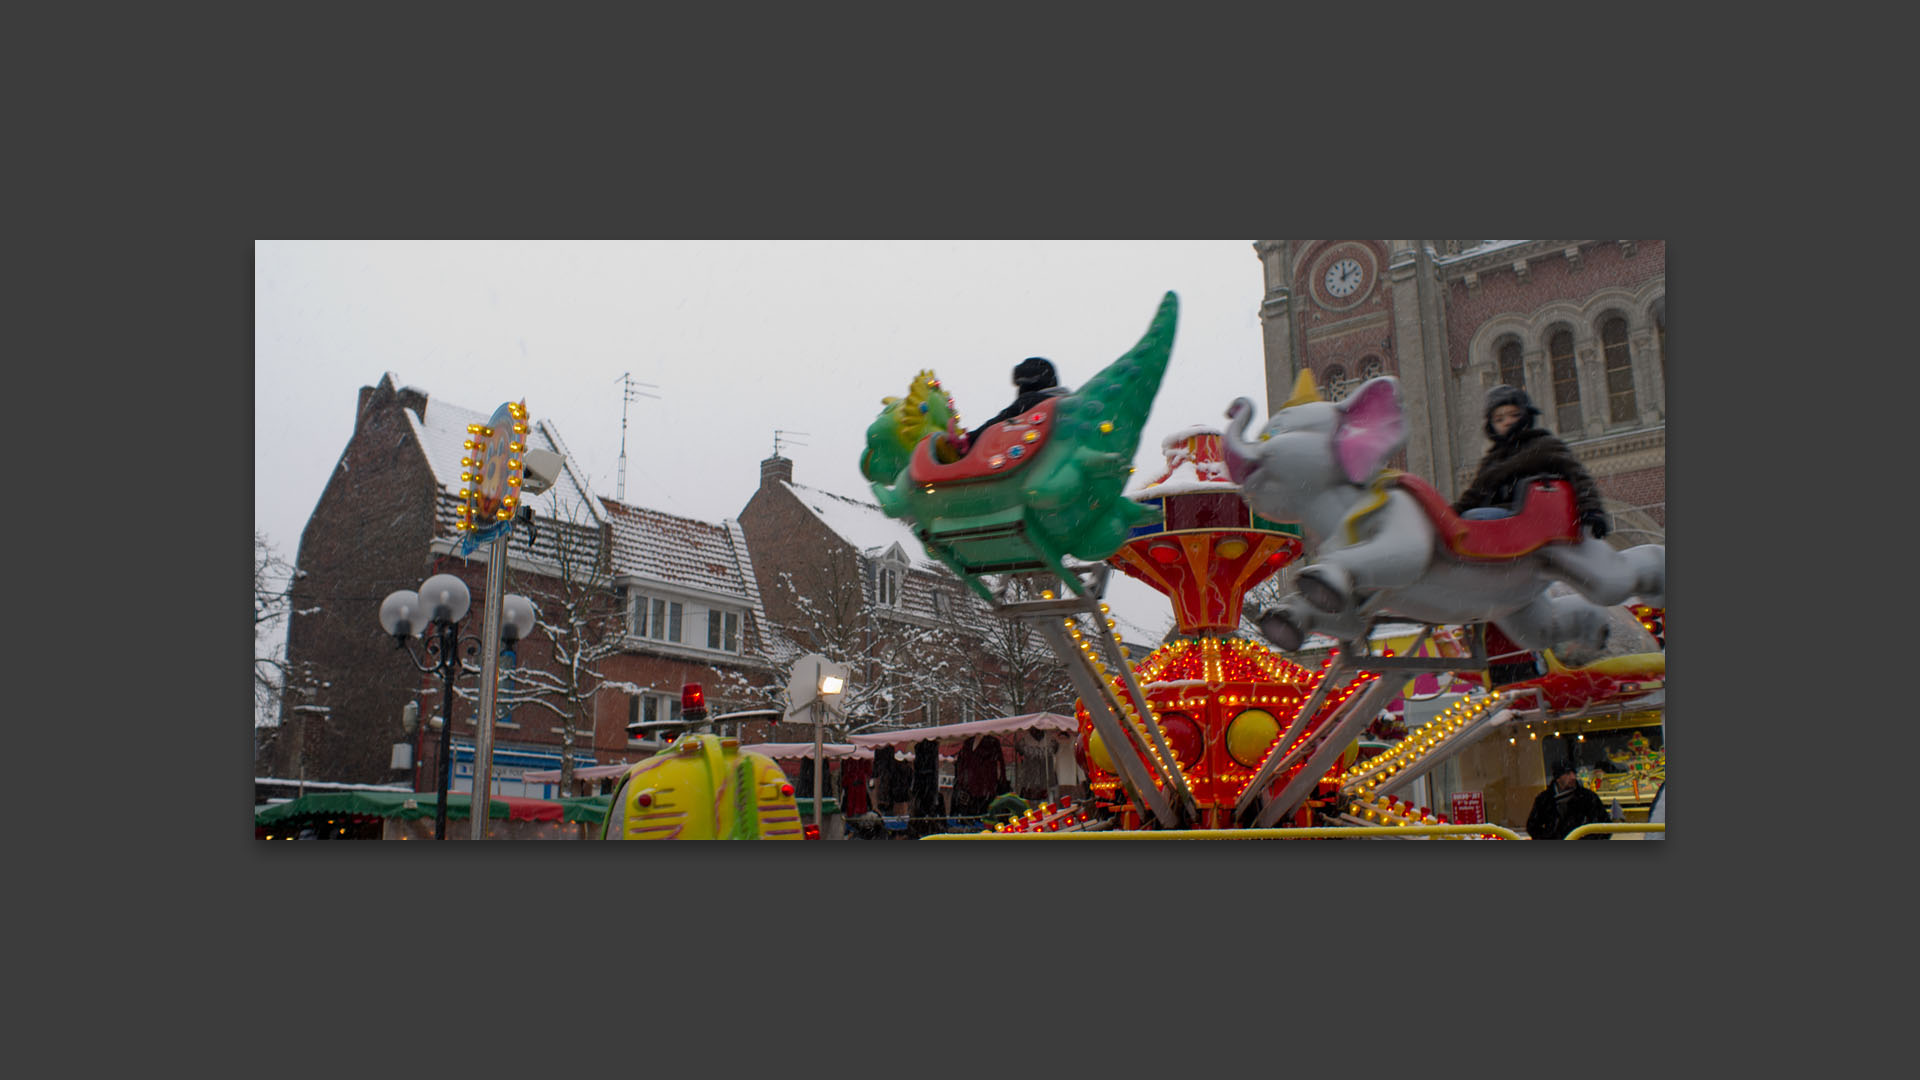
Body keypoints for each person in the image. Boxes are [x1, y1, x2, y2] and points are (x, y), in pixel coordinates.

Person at [1451, 385, 1610, 539]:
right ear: (1491, 426)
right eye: (1499, 419)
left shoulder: (1544, 446)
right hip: (1504, 520)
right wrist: (1445, 515)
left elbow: (1579, 477)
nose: (1507, 422)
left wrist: (1592, 510)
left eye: (1514, 415)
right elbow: (1473, 496)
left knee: (1476, 518)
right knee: (1465, 522)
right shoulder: (1491, 460)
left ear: (1526, 415)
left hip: (1535, 519)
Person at [939, 357, 1068, 459]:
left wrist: (970, 439)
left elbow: (1002, 420)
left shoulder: (1032, 400)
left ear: (1028, 383)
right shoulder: (1063, 403)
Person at [1527, 760, 1612, 840]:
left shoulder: (1588, 797)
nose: (1573, 777)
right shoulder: (1545, 799)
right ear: (1558, 778)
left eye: (1574, 773)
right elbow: (1532, 826)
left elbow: (1606, 826)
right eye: (1567, 773)